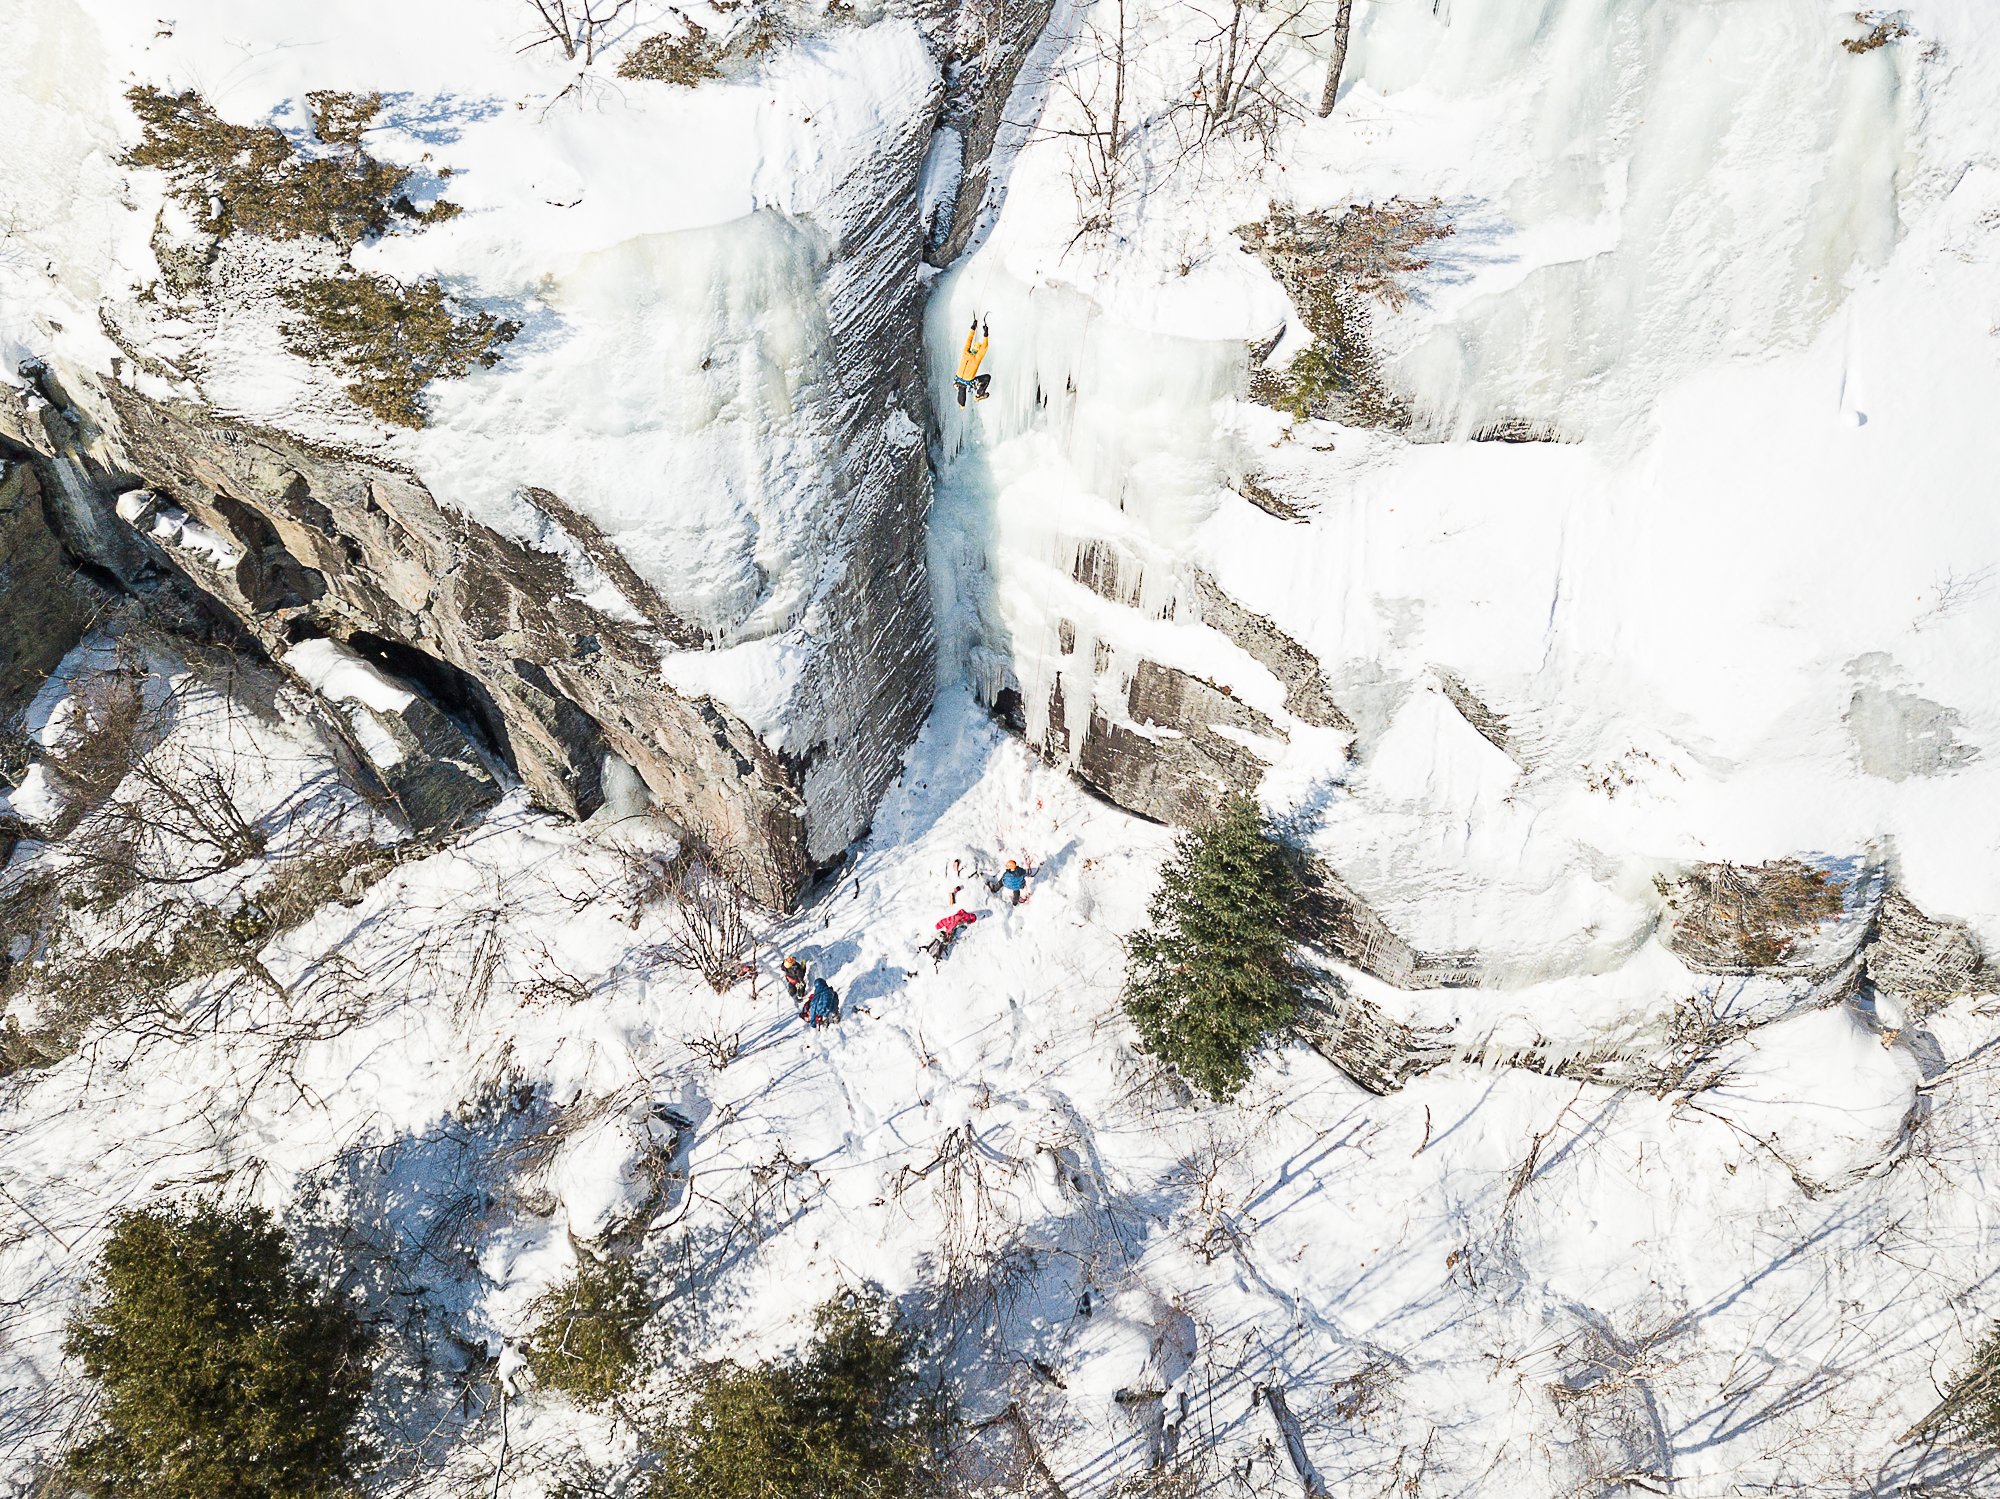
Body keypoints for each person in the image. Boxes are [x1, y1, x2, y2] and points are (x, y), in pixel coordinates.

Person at [954, 318, 991, 408]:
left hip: (958, 378)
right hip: (965, 380)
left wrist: (973, 328)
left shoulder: (965, 352)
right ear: (978, 350)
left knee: (962, 387)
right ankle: (979, 394)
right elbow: (984, 347)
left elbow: (969, 340)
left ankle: (962, 405)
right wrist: (985, 334)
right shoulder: (977, 358)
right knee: (987, 378)